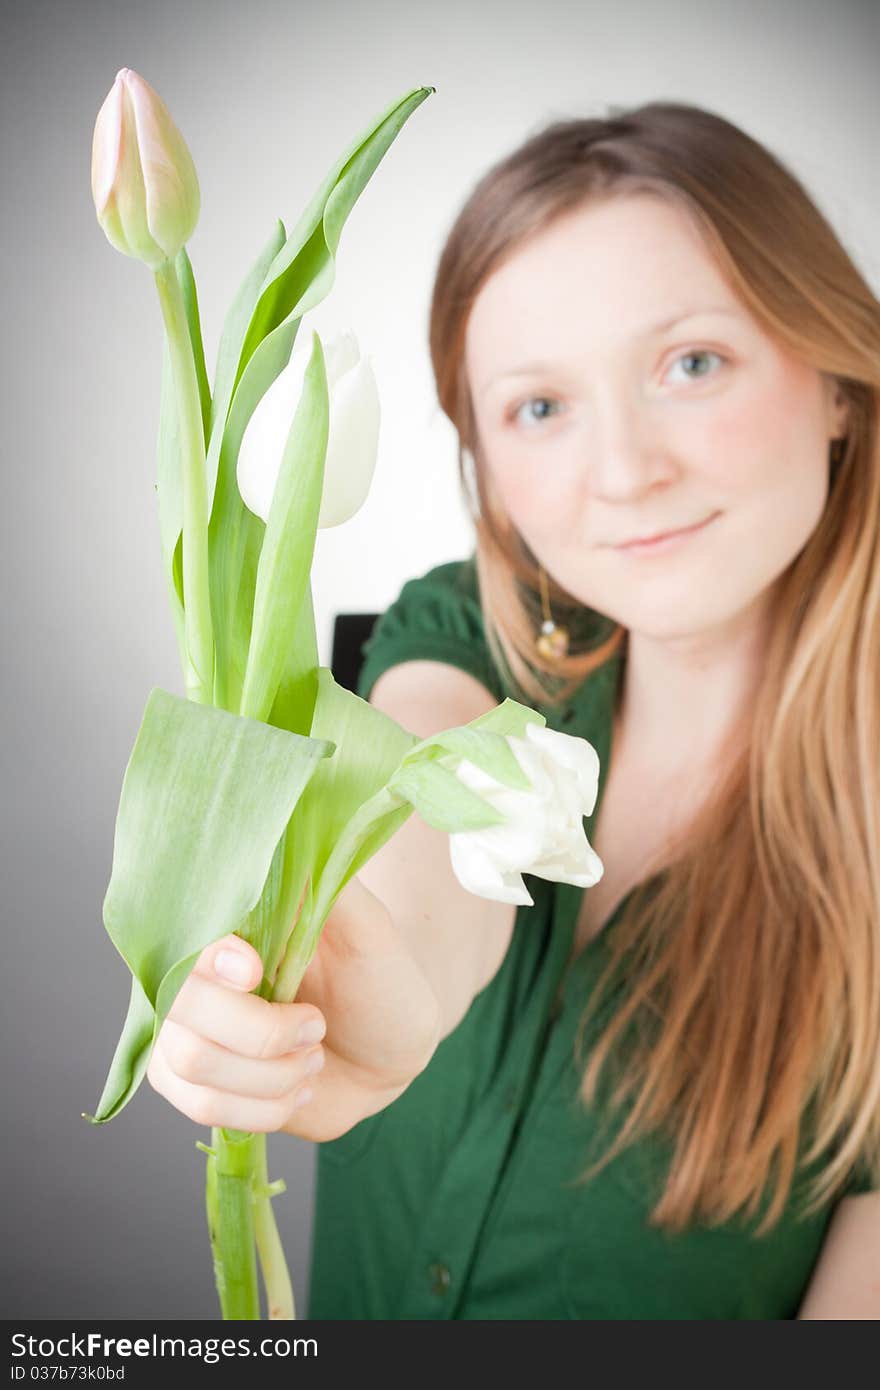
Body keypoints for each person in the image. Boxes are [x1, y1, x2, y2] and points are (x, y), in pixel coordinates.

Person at [146, 100, 880, 1319]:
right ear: (484, 460)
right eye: (540, 406)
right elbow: (431, 815)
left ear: (839, 383)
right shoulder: (471, 636)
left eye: (690, 363)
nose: (623, 470)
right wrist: (387, 991)